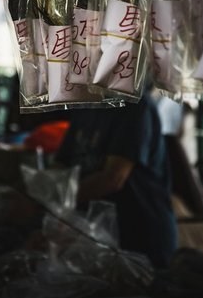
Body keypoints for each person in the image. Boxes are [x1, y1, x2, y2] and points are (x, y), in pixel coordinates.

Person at [53, 89, 178, 268]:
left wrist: (51, 200)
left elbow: (113, 178)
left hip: (139, 240)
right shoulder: (86, 105)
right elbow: (60, 169)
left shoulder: (133, 104)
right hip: (100, 238)